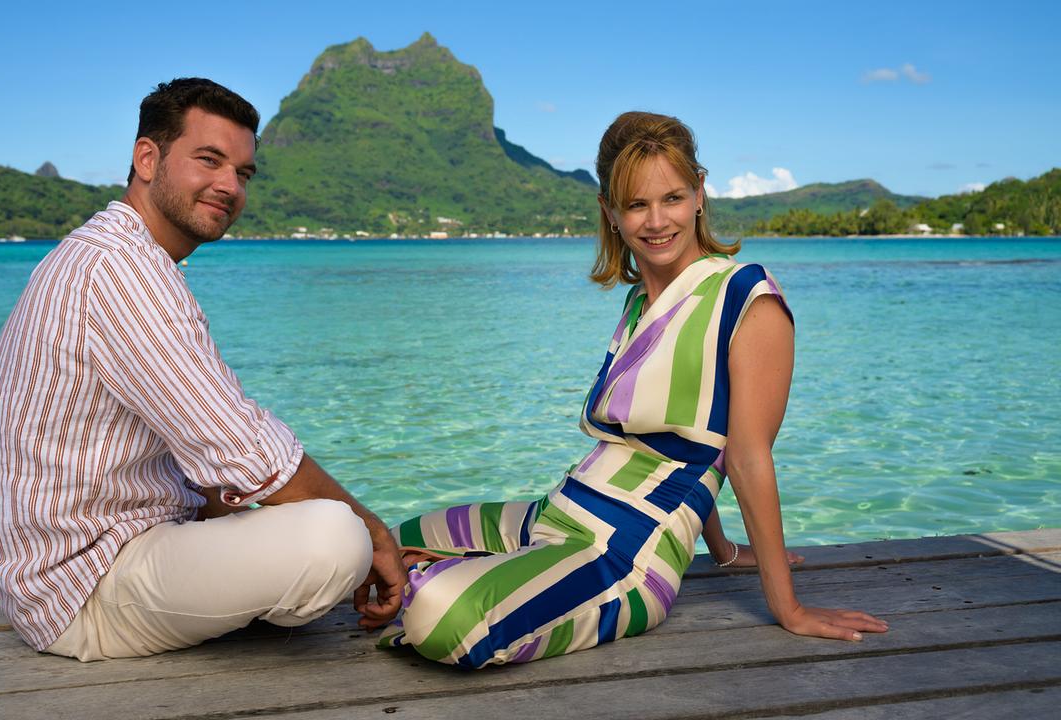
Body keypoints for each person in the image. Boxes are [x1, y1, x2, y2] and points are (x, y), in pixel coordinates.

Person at [378, 111, 888, 668]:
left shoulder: (746, 297)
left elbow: (743, 456)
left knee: (440, 614)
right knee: (377, 543)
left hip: (623, 553)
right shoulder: (638, 304)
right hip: (558, 511)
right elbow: (676, 439)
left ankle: (435, 581)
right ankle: (428, 572)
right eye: (637, 204)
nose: (656, 220)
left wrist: (787, 608)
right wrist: (720, 551)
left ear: (699, 193)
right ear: (610, 213)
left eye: (672, 197)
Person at [0, 78, 406, 661]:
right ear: (147, 158)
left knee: (311, 519)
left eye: (244, 172)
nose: (229, 185)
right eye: (209, 160)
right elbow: (237, 445)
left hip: (129, 547)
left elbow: (205, 459)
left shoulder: (121, 257)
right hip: (84, 590)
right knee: (335, 537)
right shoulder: (118, 272)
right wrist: (375, 535)